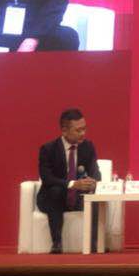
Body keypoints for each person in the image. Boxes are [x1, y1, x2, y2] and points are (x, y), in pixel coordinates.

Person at [36, 107, 100, 253]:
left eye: (84, 129)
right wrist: (72, 184)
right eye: (78, 130)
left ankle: (95, 243)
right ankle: (57, 243)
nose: (83, 133)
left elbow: (96, 172)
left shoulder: (88, 146)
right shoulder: (48, 149)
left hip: (77, 198)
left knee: (95, 198)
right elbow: (47, 179)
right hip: (53, 198)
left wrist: (92, 182)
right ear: (64, 131)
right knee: (56, 191)